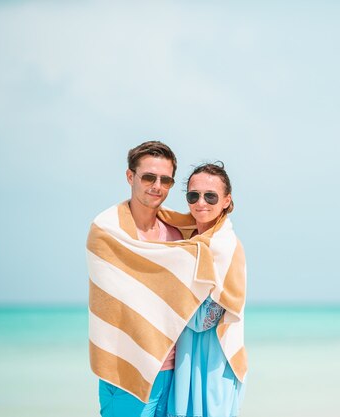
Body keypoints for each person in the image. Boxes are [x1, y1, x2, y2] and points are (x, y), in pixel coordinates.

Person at [91, 140, 182, 417]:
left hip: (174, 369)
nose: (157, 186)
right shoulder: (107, 231)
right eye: (149, 177)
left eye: (165, 180)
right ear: (131, 177)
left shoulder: (177, 236)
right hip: (127, 371)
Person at [168, 162, 246, 417]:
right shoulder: (189, 241)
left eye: (210, 195)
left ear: (226, 200)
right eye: (194, 195)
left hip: (213, 359)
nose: (201, 202)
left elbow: (205, 320)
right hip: (188, 353)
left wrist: (164, 299)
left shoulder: (224, 246)